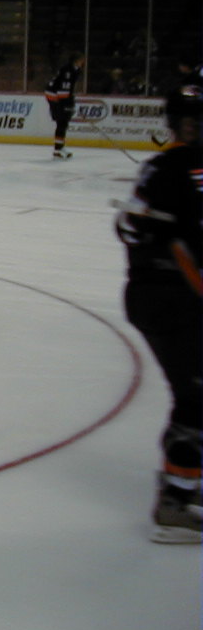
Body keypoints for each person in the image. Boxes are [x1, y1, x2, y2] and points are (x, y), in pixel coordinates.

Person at [114, 85, 202, 543]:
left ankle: (185, 478)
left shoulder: (162, 166)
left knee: (192, 393)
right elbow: (183, 246)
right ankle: (175, 502)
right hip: (171, 298)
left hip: (152, 296)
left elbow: (125, 225)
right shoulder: (187, 169)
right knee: (196, 396)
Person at [45, 52, 85, 159]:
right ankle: (58, 149)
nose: (83, 62)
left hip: (59, 96)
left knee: (63, 122)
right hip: (54, 96)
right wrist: (67, 103)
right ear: (76, 60)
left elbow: (68, 89)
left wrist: (70, 101)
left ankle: (59, 148)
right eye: (81, 60)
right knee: (62, 122)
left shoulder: (75, 70)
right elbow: (63, 89)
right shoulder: (68, 71)